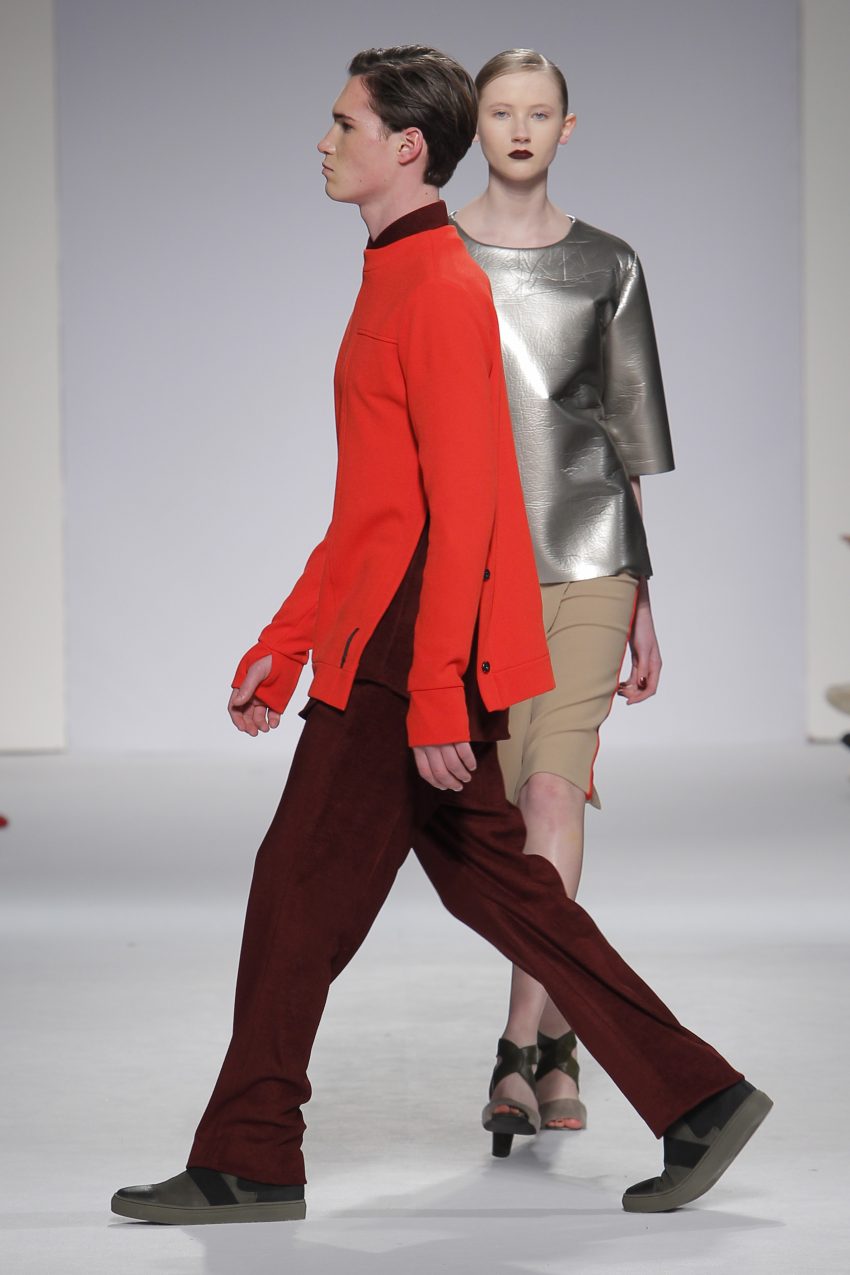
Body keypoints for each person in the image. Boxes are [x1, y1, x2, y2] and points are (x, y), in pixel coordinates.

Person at [111, 45, 770, 1227]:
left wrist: (433, 696)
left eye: (343, 123)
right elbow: (370, 511)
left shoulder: (440, 290)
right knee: (505, 892)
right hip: (390, 629)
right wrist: (284, 642)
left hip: (413, 643)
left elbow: (467, 513)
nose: (324, 142)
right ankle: (700, 1097)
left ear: (405, 147)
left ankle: (252, 1153)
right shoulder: (395, 274)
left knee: (295, 889)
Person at [452, 49, 674, 1150]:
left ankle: (516, 1043)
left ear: (567, 129)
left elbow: (624, 444)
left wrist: (644, 597)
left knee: (553, 795)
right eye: (502, 111)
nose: (520, 129)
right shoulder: (436, 256)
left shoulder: (608, 264)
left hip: (591, 561)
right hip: (476, 573)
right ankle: (557, 1041)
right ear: (475, 124)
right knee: (502, 820)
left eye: (539, 113)